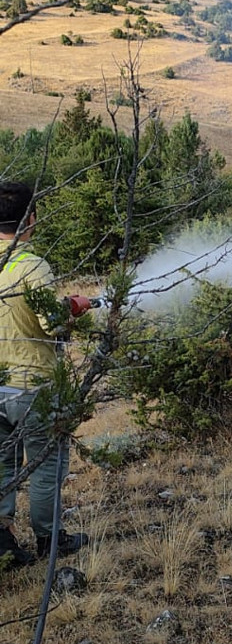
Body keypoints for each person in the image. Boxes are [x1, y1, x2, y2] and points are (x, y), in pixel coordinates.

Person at [0, 182, 91, 567]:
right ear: (31, 219)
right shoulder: (32, 265)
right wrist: (72, 308)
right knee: (46, 465)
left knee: (2, 465)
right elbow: (52, 324)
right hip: (32, 386)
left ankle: (3, 546)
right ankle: (50, 539)